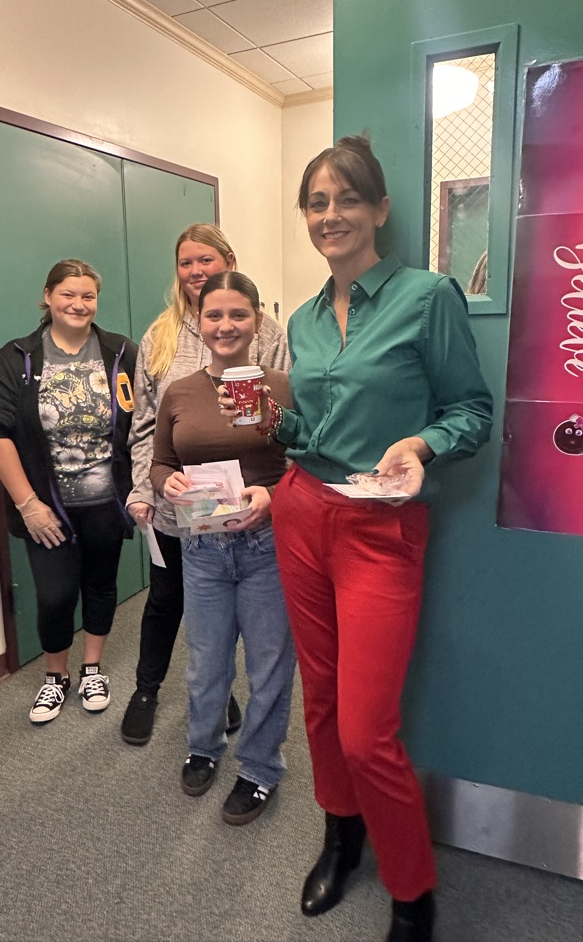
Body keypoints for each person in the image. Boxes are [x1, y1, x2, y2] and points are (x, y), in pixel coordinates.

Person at [229, 138, 492, 940]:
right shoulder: (300, 321)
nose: (329, 215)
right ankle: (340, 833)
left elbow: (472, 412)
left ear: (379, 211)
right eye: (316, 202)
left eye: (346, 200)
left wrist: (419, 445)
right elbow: (311, 430)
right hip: (303, 509)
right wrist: (274, 431)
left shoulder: (426, 296)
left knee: (364, 726)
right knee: (321, 700)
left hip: (382, 524)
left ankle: (412, 889)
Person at [121, 224, 290, 746]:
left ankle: (234, 712)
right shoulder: (160, 334)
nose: (195, 270)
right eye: (185, 262)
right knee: (174, 604)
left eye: (205, 260)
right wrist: (145, 488)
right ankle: (148, 692)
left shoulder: (267, 333)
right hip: (184, 512)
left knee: (255, 635)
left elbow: (286, 423)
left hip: (255, 515)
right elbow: (147, 427)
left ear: (228, 261)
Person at [150, 270, 296, 825]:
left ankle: (259, 767)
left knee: (269, 666)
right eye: (214, 315)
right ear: (199, 321)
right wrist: (168, 483)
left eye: (239, 314)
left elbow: (307, 460)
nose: (226, 325)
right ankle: (204, 747)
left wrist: (274, 494)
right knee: (206, 663)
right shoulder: (180, 392)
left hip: (267, 546)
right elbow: (160, 461)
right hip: (203, 547)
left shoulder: (281, 387)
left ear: (257, 321)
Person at [0, 259, 137, 724]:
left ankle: (91, 669)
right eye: (68, 294)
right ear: (47, 297)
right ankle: (54, 677)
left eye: (88, 296)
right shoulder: (18, 357)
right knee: (55, 596)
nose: (78, 304)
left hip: (107, 502)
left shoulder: (120, 352)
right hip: (48, 508)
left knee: (101, 586)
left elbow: (141, 419)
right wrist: (29, 506)